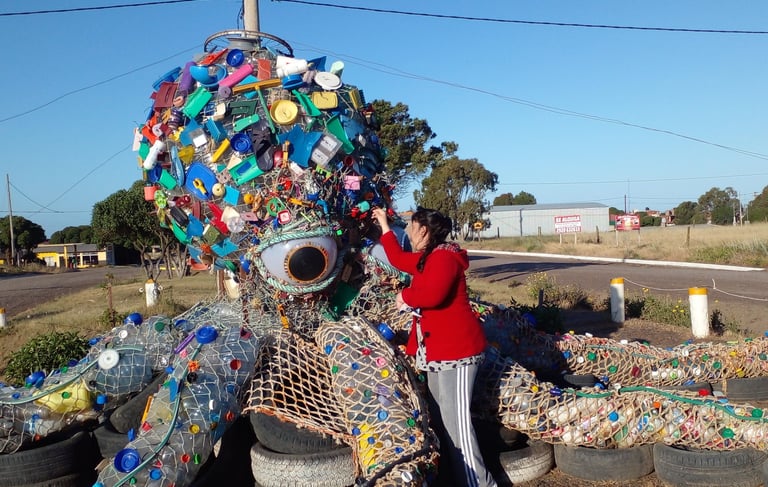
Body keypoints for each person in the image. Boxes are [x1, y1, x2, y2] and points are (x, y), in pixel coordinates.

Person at [372, 206, 496, 487]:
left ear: (423, 230)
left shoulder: (444, 259)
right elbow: (398, 258)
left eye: (411, 227)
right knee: (442, 420)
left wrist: (405, 294)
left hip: (459, 353)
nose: (408, 233)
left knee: (458, 426)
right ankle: (459, 478)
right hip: (438, 352)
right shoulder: (428, 258)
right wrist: (383, 225)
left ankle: (480, 483)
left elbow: (432, 295)